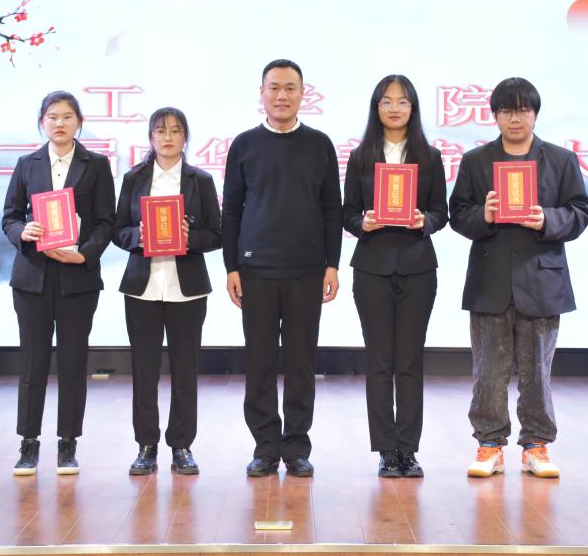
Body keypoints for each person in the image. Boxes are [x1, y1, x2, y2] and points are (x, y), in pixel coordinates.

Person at [448, 77, 588, 479]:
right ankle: (489, 445)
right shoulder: (476, 161)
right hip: (490, 281)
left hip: (541, 281)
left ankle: (536, 446)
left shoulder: (561, 159)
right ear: (494, 115)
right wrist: (484, 215)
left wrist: (547, 218)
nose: (515, 118)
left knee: (537, 373)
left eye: (523, 110)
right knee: (488, 371)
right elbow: (458, 214)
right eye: (507, 111)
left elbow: (580, 212)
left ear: (535, 114)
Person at [222, 59, 342, 478]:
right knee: (258, 363)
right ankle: (265, 446)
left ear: (303, 94)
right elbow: (231, 210)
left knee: (301, 362)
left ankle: (296, 446)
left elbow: (332, 209)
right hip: (255, 270)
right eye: (274, 87)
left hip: (307, 270)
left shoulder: (320, 144)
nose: (282, 95)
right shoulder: (244, 145)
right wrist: (231, 266)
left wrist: (332, 264)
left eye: (290, 88)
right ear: (261, 93)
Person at [2, 90, 115, 476]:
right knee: (32, 363)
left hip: (77, 279)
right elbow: (9, 216)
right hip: (32, 279)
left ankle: (68, 444)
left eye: (67, 116)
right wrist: (23, 231)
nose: (60, 123)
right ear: (42, 123)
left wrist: (86, 253)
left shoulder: (96, 164)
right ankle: (28, 443)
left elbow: (106, 222)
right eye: (52, 117)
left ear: (79, 122)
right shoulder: (26, 164)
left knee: (72, 363)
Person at [342, 74, 448, 478]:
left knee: (410, 361)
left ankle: (409, 450)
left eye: (403, 102)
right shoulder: (360, 157)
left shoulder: (430, 157)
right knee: (379, 361)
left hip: (418, 267)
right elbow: (347, 211)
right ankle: (386, 450)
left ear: (413, 109)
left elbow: (441, 211)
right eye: (386, 101)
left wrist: (425, 221)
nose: (394, 108)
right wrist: (362, 223)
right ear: (376, 108)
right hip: (372, 267)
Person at [113, 108, 221, 476]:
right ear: (150, 137)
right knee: (143, 370)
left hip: (186, 288)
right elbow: (118, 230)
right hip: (142, 287)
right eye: (161, 131)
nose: (168, 137)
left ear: (185, 137)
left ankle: (182, 445)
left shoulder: (200, 180)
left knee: (185, 370)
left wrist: (191, 239)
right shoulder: (134, 178)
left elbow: (217, 234)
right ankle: (146, 445)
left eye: (175, 131)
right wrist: (138, 236)